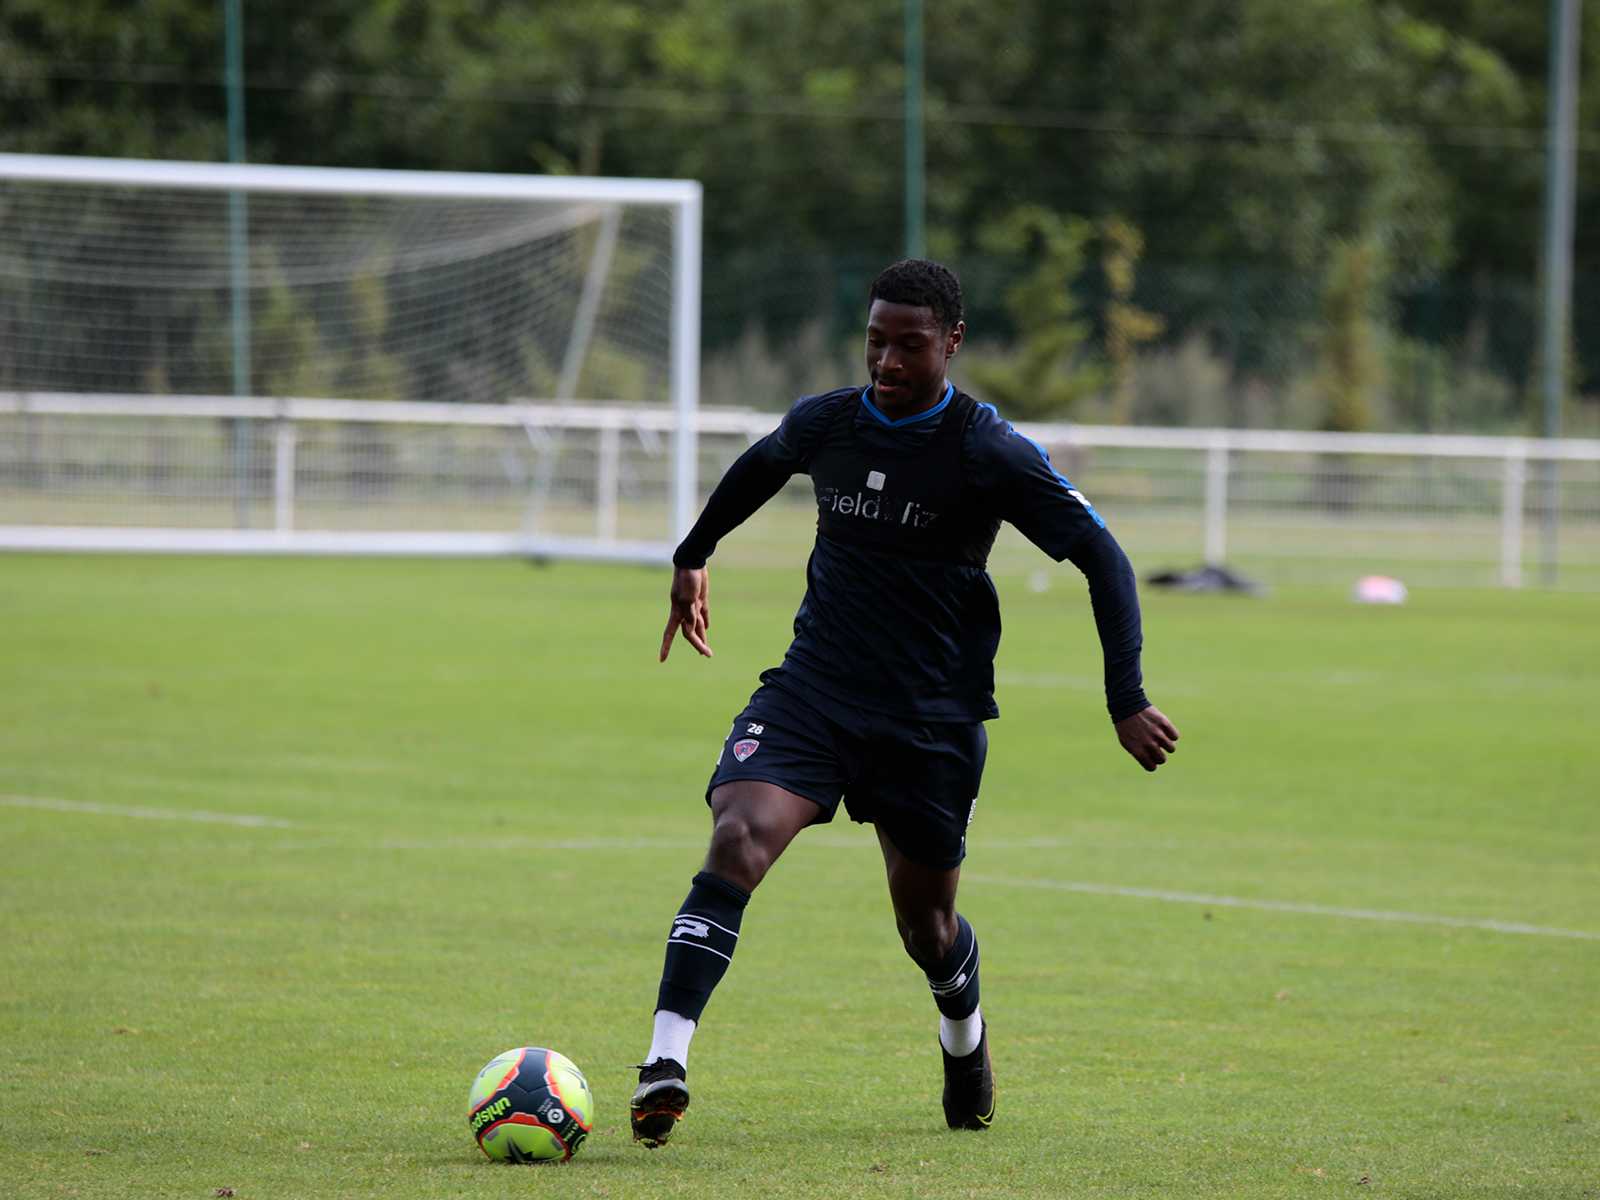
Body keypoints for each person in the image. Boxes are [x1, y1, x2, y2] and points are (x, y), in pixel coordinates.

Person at [631, 259, 1178, 1148]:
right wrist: (693, 555)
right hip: (812, 694)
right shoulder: (830, 422)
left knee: (927, 929)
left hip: (930, 722)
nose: (886, 361)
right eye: (876, 340)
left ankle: (964, 1037)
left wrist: (1126, 696)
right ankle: (665, 1061)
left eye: (909, 346)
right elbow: (761, 466)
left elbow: (1103, 557)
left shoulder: (985, 451)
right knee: (736, 837)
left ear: (952, 343)